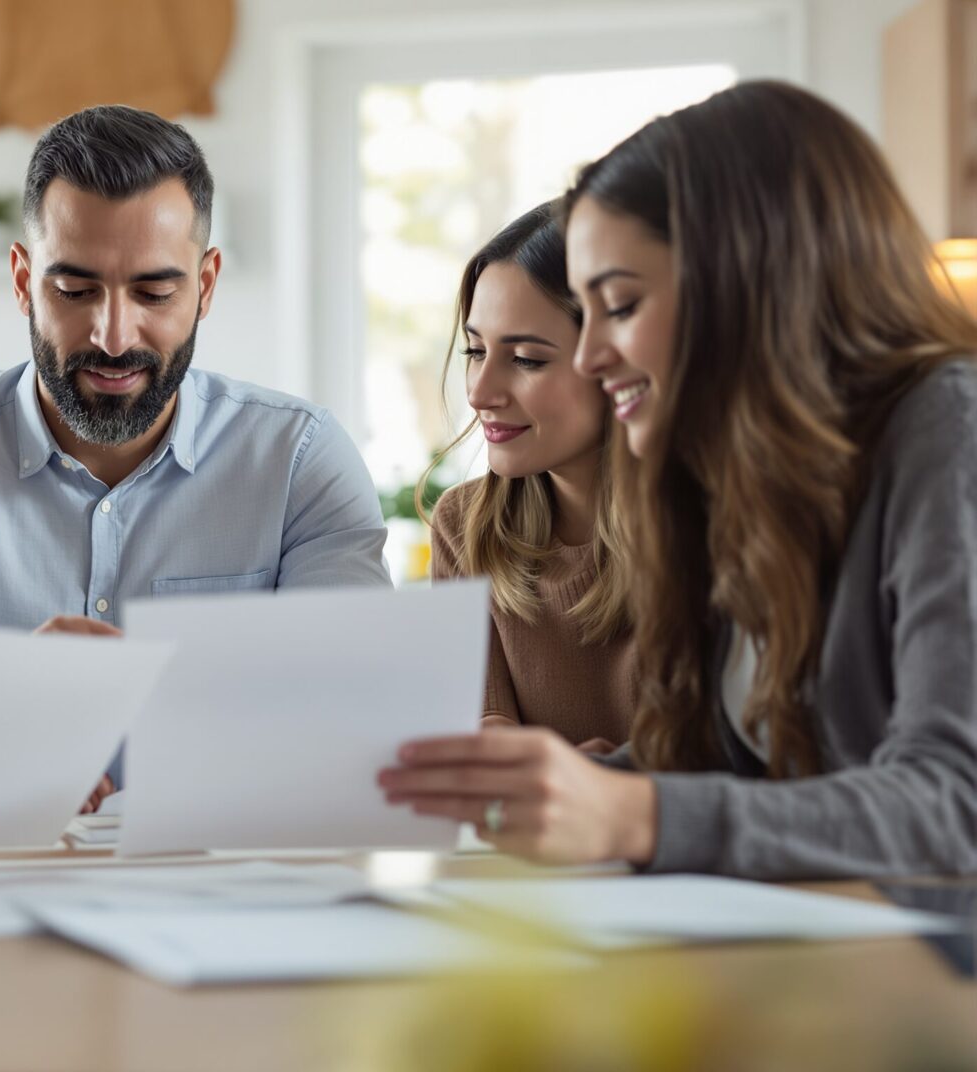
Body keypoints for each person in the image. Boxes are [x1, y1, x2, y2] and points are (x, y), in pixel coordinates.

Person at [380, 81, 977, 879]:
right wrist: (569, 790)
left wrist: (630, 811)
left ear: (752, 281)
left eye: (621, 306)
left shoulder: (949, 429)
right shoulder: (749, 482)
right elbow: (734, 765)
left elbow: (956, 805)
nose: (593, 356)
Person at [0, 105, 389, 800]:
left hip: (231, 860)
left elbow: (351, 725)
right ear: (23, 281)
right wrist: (1, 713)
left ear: (206, 286)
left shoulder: (299, 460)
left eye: (154, 291)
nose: (114, 336)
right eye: (74, 290)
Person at [422, 203, 634, 753]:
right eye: (476, 351)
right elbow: (481, 724)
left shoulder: (720, 529)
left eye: (526, 359)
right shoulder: (462, 526)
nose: (478, 393)